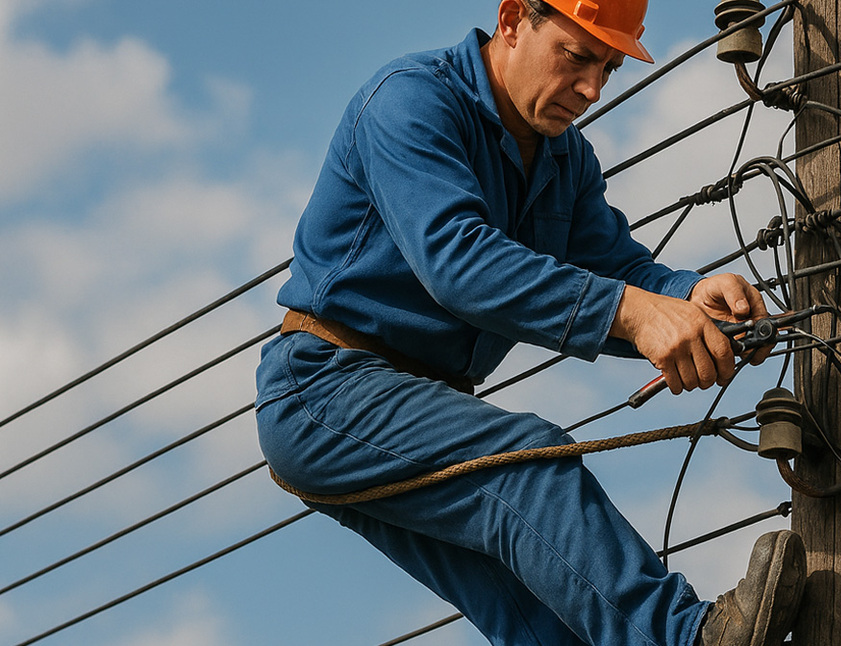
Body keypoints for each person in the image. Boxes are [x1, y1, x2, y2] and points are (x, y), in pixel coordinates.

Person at [254, 1, 806, 644]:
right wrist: (636, 314)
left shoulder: (566, 160)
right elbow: (458, 261)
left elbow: (620, 268)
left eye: (608, 67)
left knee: (543, 616)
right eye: (577, 57)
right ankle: (687, 638)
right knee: (530, 465)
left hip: (411, 405)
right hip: (325, 387)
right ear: (514, 19)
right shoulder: (409, 102)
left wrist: (692, 298)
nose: (592, 89)